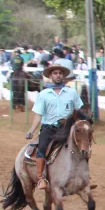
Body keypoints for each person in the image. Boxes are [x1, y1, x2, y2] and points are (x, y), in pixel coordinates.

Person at [24, 63, 85, 191]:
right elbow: (38, 116)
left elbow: (79, 111)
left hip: (68, 128)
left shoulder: (71, 92)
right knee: (42, 148)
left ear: (63, 76)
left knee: (82, 146)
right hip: (49, 128)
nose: (58, 75)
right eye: (55, 73)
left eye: (60, 73)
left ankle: (82, 177)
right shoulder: (44, 94)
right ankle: (41, 178)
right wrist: (31, 131)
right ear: (51, 76)